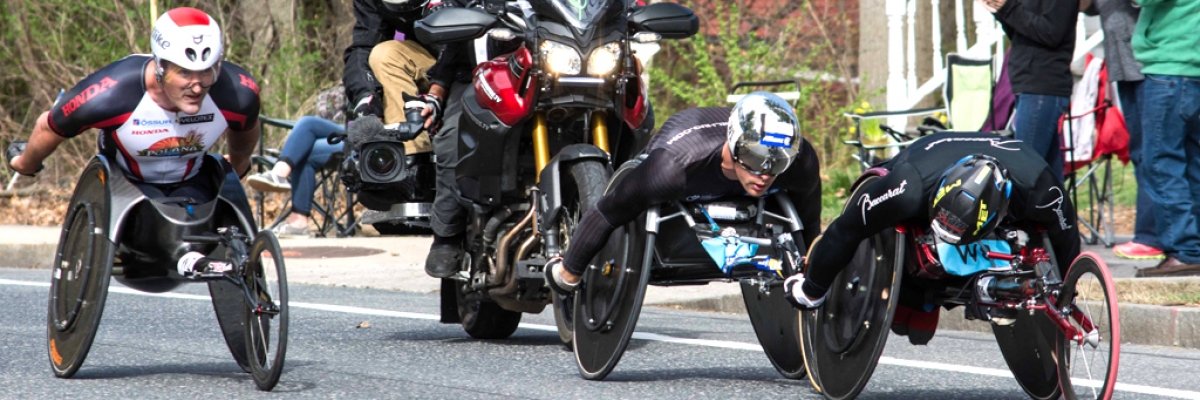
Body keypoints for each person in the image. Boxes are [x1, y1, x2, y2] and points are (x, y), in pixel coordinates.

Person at [544, 92, 822, 293]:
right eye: (754, 159)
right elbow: (607, 211)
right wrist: (568, 272)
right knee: (637, 194)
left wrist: (812, 267)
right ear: (736, 146)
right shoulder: (672, 168)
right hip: (684, 153)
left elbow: (809, 224)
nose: (764, 174)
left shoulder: (800, 162)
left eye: (777, 164)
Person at [785, 133, 1081, 320]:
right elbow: (845, 229)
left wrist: (1066, 293)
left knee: (1056, 232)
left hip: (1017, 168)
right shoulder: (907, 187)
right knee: (863, 222)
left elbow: (1067, 242)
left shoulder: (1042, 191)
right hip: (925, 160)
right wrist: (812, 290)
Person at [9, 7, 259, 206]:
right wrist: (25, 163)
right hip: (123, 185)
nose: (196, 87)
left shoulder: (238, 92)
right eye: (184, 73)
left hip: (194, 183)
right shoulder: (111, 92)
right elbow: (50, 126)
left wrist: (238, 164)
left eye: (206, 72)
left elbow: (246, 129)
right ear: (161, 66)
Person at [343, 0, 477, 278]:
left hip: (492, 49)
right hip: (438, 60)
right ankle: (411, 168)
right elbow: (363, 46)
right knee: (384, 54)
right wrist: (365, 99)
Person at [1084, 0, 1162, 260]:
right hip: (1125, 70)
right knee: (1141, 152)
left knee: (1154, 152)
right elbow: (1088, 6)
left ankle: (1152, 236)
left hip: (1150, 66)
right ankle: (1152, 234)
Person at [1128, 1, 1200, 276]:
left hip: (1171, 65)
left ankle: (1184, 251)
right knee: (1191, 164)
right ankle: (1194, 248)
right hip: (1191, 66)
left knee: (1161, 163)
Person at [980, 0, 1079, 177]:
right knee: (1049, 178)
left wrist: (1008, 8)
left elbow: (1051, 33)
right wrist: (1000, 10)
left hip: (1043, 85)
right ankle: (1058, 205)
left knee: (1025, 170)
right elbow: (1021, 33)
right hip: (1026, 83)